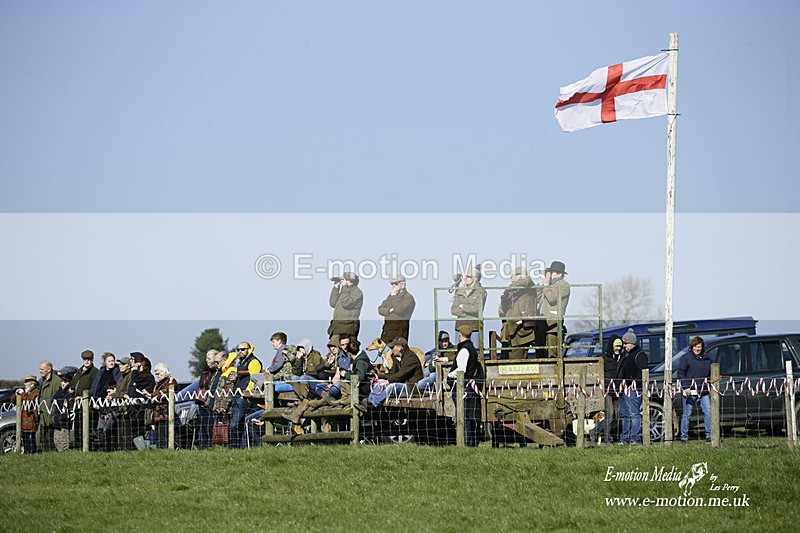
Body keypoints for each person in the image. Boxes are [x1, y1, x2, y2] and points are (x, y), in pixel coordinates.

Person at [448, 324, 485, 447]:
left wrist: (449, 375)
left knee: (464, 417)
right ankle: (472, 442)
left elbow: (461, 370)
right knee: (469, 416)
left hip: (463, 387)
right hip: (469, 387)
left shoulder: (464, 350)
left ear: (460, 334)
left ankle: (468, 443)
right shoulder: (471, 348)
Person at [226, 342, 262, 448]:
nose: (240, 351)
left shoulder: (254, 361)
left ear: (249, 349)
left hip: (244, 397)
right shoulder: (241, 362)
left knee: (235, 424)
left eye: (242, 349)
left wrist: (246, 393)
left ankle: (235, 447)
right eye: (238, 349)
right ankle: (240, 448)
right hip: (237, 395)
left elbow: (254, 379)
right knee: (239, 424)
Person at [677, 336, 713, 444]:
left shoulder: (708, 359)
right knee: (687, 414)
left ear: (702, 347)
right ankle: (684, 437)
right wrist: (686, 387)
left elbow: (711, 373)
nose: (697, 349)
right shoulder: (685, 358)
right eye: (695, 346)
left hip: (704, 391)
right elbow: (680, 373)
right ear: (692, 347)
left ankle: (709, 436)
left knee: (708, 412)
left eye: (699, 347)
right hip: (690, 391)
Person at [498, 267, 538, 359]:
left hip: (521, 330)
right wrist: (504, 298)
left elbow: (526, 281)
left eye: (514, 276)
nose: (512, 279)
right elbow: (503, 311)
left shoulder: (528, 285)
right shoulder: (514, 291)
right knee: (506, 359)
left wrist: (509, 288)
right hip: (509, 331)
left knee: (517, 359)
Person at [370, 337, 423, 406]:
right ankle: (369, 403)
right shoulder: (398, 358)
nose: (391, 349)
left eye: (392, 347)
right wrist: (377, 376)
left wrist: (388, 381)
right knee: (378, 384)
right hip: (403, 384)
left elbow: (402, 374)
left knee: (392, 386)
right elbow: (393, 374)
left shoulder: (411, 358)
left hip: (412, 388)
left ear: (399, 347)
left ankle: (374, 403)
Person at [618, 329, 648, 444]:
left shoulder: (640, 355)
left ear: (632, 343)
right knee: (625, 415)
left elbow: (642, 372)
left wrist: (634, 384)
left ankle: (635, 438)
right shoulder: (626, 354)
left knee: (634, 414)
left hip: (634, 389)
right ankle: (624, 438)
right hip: (624, 388)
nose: (624, 346)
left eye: (626, 343)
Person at [536, 261, 571, 358]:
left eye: (551, 273)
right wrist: (540, 285)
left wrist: (546, 285)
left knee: (552, 351)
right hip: (543, 321)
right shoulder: (549, 286)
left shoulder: (564, 285)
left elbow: (552, 298)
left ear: (559, 274)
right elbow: (538, 298)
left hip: (553, 322)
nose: (549, 276)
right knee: (540, 350)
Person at [143, 363, 177, 449]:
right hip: (157, 414)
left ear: (164, 372)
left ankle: (166, 450)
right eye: (156, 374)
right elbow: (158, 394)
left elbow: (165, 392)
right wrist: (150, 395)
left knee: (164, 435)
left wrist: (152, 395)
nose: (157, 376)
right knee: (158, 436)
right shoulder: (158, 384)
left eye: (158, 373)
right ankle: (161, 451)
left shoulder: (171, 380)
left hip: (166, 414)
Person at [69, 350, 98, 449]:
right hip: (77, 405)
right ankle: (78, 447)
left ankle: (88, 448)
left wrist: (84, 396)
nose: (87, 361)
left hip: (87, 405)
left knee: (88, 429)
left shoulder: (94, 372)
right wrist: (71, 389)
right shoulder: (79, 371)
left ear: (92, 360)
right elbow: (73, 383)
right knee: (78, 428)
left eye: (89, 359)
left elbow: (94, 387)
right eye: (85, 359)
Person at [378, 275, 416, 343]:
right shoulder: (391, 297)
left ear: (403, 285)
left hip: (398, 336)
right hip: (386, 333)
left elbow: (399, 309)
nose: (393, 286)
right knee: (384, 353)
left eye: (396, 283)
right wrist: (389, 310)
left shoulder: (408, 298)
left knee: (396, 353)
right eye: (392, 284)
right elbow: (380, 309)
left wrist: (394, 296)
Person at [600, 335, 623, 444]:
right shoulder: (603, 358)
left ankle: (596, 432)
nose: (618, 348)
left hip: (618, 391)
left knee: (618, 416)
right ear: (611, 346)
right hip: (608, 391)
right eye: (616, 346)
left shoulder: (622, 357)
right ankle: (607, 438)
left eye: (620, 346)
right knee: (610, 415)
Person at [450, 266, 487, 334]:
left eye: (468, 276)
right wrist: (467, 313)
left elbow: (477, 309)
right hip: (460, 328)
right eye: (465, 276)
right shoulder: (460, 291)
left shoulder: (481, 291)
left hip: (474, 328)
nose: (465, 278)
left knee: (474, 345)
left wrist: (462, 307)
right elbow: (453, 310)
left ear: (476, 278)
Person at [327, 271, 364, 338]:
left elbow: (346, 304)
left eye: (345, 279)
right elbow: (333, 303)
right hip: (337, 325)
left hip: (348, 327)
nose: (343, 281)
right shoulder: (345, 291)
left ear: (351, 281)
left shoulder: (357, 293)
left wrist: (344, 287)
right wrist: (336, 287)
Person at [195, 349, 219, 450]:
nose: (206, 360)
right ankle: (202, 448)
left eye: (209, 358)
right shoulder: (205, 372)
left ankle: (211, 447)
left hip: (211, 403)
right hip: (201, 402)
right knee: (202, 428)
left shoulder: (217, 373)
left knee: (210, 428)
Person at [111, 357, 135, 451]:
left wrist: (116, 395)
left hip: (126, 408)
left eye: (123, 364)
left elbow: (126, 391)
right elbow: (120, 391)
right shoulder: (121, 377)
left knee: (126, 431)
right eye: (120, 364)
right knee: (120, 431)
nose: (120, 366)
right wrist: (113, 396)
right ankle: (121, 450)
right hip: (119, 407)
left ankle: (127, 450)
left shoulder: (130, 376)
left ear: (128, 366)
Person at [37, 360, 60, 453]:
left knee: (51, 440)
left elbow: (58, 399)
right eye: (40, 369)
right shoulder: (42, 381)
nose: (40, 371)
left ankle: (51, 456)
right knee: (43, 439)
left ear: (49, 369)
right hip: (43, 416)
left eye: (42, 369)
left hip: (51, 416)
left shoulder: (56, 381)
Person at [14, 375, 40, 454]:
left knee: (31, 437)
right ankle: (26, 452)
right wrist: (15, 394)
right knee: (25, 437)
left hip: (31, 418)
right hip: (23, 419)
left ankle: (32, 452)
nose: (25, 384)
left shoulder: (36, 392)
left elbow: (30, 401)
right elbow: (12, 400)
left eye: (27, 382)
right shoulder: (25, 392)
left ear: (32, 384)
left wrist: (22, 394)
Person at [53, 366, 77, 452]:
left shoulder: (69, 395)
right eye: (62, 381)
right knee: (56, 439)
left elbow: (71, 405)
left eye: (66, 382)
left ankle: (64, 453)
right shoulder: (59, 392)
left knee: (64, 440)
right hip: (57, 419)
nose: (63, 383)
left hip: (65, 420)